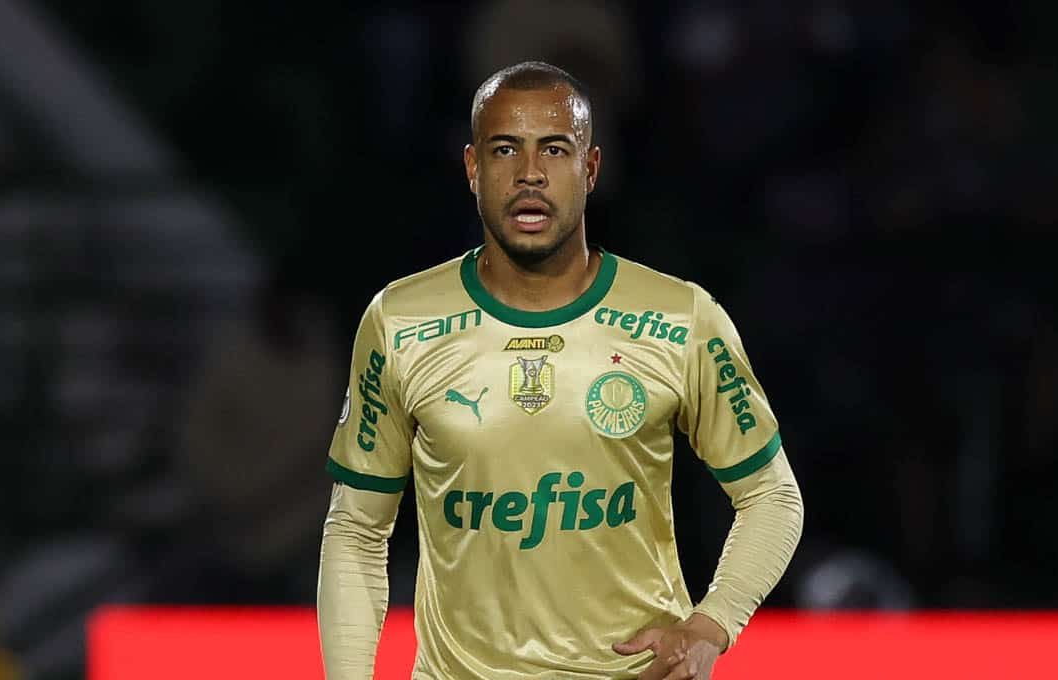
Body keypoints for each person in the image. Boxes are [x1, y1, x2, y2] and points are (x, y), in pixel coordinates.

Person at [317, 61, 803, 679]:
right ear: (472, 169)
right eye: (504, 150)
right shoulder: (400, 321)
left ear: (591, 168)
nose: (529, 174)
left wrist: (712, 622)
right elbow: (356, 531)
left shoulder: (682, 317)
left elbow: (771, 495)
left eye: (554, 148)